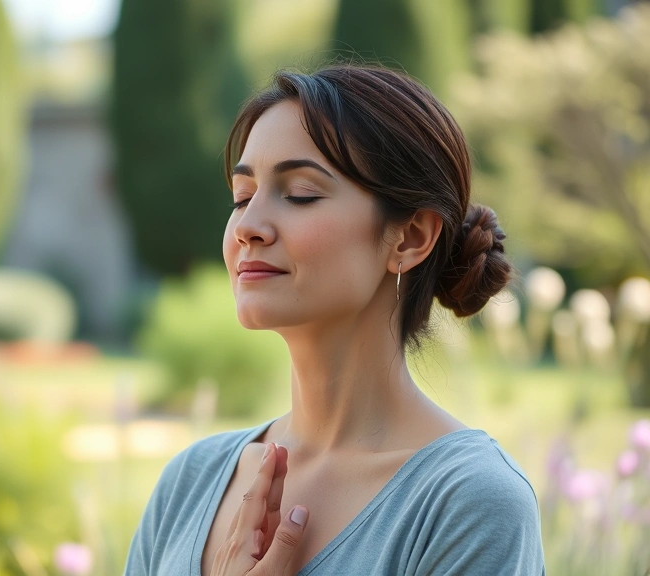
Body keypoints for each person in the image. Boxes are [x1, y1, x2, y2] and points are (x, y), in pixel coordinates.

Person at [123, 65, 545, 576]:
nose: (248, 227)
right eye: (242, 197)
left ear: (410, 238)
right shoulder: (190, 482)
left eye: (300, 193)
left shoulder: (469, 505)